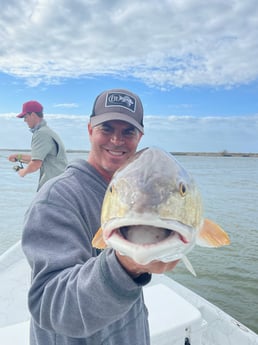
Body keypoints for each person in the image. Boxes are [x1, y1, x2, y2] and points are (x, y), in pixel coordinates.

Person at [22, 89, 179, 345]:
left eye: (128, 131)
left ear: (140, 136)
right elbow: (52, 306)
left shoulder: (135, 199)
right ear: (90, 129)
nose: (117, 140)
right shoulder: (55, 198)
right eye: (106, 128)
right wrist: (125, 264)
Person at [8, 100, 68, 191]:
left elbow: (36, 164)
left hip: (53, 188)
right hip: (61, 184)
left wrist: (23, 172)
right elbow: (38, 157)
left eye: (25, 117)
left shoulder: (41, 134)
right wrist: (18, 156)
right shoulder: (47, 131)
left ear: (33, 115)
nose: (24, 120)